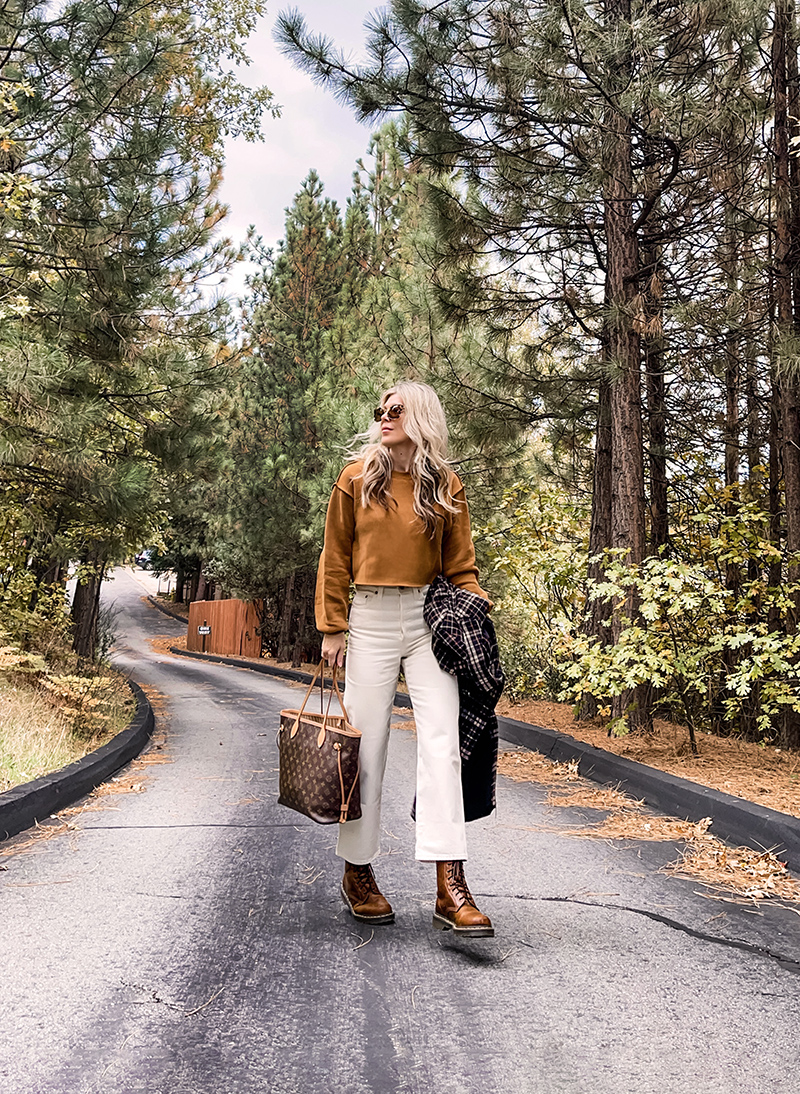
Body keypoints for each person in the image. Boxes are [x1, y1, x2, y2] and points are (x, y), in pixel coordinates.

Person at [315, 380, 495, 937]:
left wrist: (478, 616)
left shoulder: (444, 486)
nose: (384, 417)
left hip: (427, 621)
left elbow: (461, 567)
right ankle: (358, 872)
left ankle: (450, 883)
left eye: (395, 410)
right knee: (363, 745)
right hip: (366, 619)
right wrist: (332, 627)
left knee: (442, 744)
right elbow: (335, 555)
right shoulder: (356, 479)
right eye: (381, 409)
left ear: (419, 418)